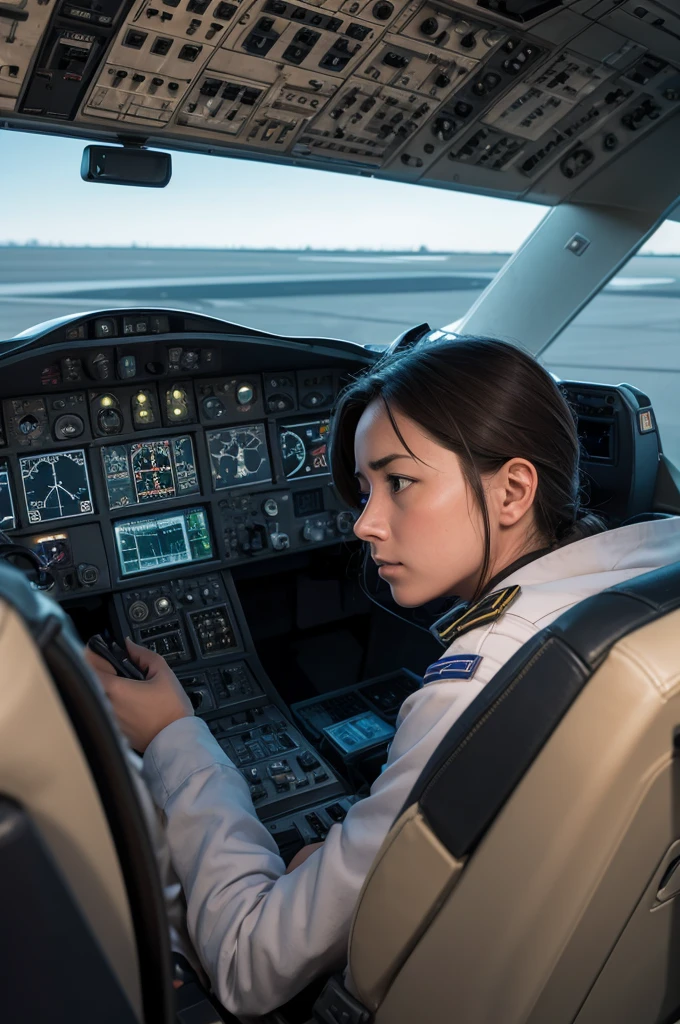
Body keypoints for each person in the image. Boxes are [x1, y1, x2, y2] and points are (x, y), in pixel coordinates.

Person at [85, 337, 680, 1020]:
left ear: (513, 490)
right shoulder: (660, 566)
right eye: (365, 489)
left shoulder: (482, 684)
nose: (365, 523)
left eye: (399, 482)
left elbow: (250, 966)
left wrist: (172, 737)